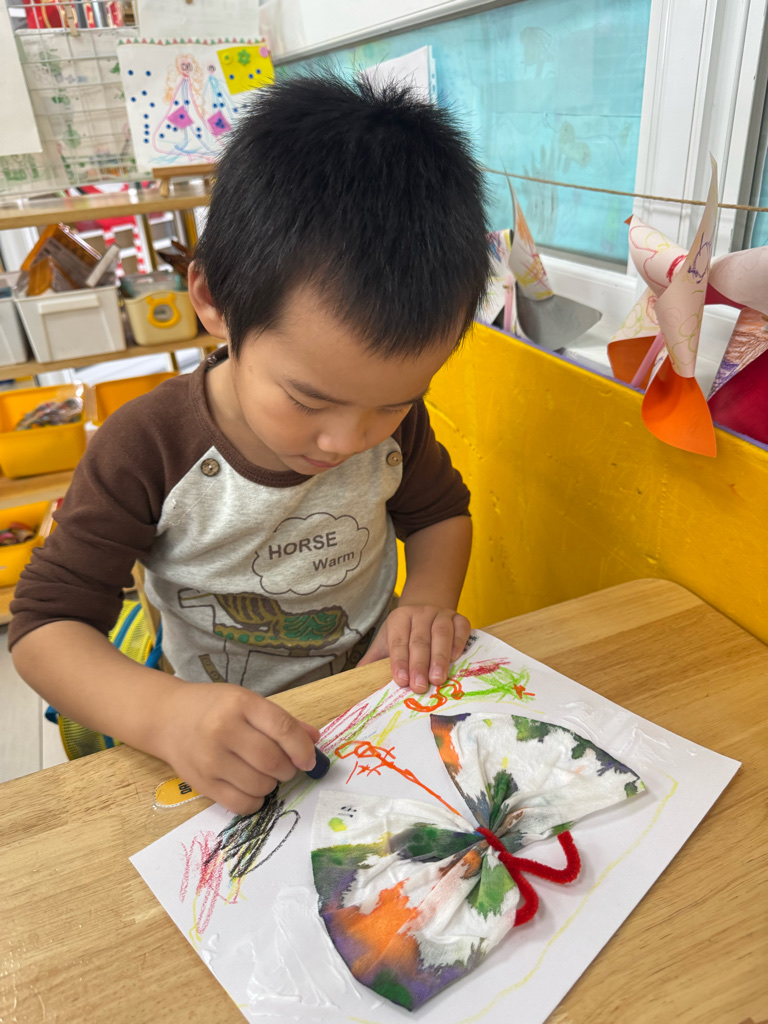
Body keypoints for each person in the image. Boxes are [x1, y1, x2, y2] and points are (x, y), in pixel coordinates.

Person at [10, 72, 490, 815]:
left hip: (366, 703)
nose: (347, 440)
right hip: (215, 737)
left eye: (394, 404)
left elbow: (439, 515)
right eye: (308, 400)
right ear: (213, 301)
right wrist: (165, 716)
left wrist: (425, 602)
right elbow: (46, 626)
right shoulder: (146, 447)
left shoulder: (393, 429)